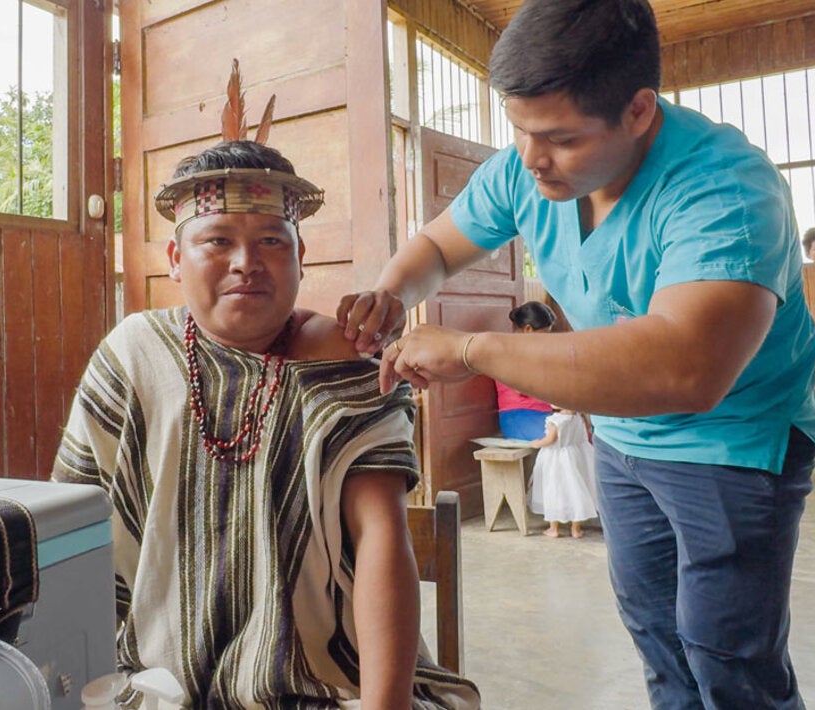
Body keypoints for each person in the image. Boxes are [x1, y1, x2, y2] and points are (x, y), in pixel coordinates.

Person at [335, 1, 815, 708]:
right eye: (520, 132)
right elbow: (441, 245)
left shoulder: (726, 188)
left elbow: (684, 369)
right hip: (623, 436)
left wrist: (472, 349)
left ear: (636, 110)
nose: (532, 159)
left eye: (560, 138)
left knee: (727, 655)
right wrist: (389, 288)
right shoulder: (529, 165)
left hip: (732, 443)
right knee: (657, 634)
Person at [53, 63, 478, 710]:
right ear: (174, 259)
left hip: (324, 681)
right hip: (152, 678)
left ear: (302, 258)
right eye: (216, 240)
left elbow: (382, 542)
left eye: (272, 241)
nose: (246, 263)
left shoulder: (344, 365)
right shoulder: (134, 353)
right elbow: (73, 521)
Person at [527, 407, 599, 538]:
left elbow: (551, 440)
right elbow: (587, 430)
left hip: (556, 460)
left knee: (554, 490)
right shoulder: (580, 417)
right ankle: (576, 529)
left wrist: (536, 443)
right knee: (577, 491)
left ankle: (553, 528)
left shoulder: (556, 420)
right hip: (576, 456)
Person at [495, 302, 555, 440]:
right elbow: (520, 388)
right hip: (519, 416)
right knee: (556, 439)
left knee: (578, 435)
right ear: (528, 329)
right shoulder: (506, 351)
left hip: (545, 414)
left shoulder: (536, 352)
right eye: (544, 334)